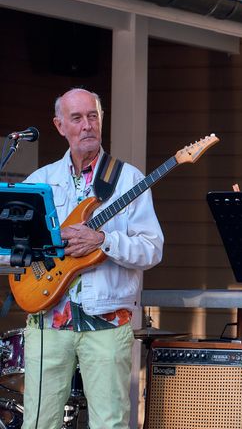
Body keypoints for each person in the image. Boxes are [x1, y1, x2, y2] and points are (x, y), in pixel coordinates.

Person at [21, 88, 164, 429]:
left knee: (109, 423)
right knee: (39, 422)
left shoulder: (128, 179)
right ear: (59, 126)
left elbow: (152, 248)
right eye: (77, 118)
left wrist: (104, 240)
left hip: (107, 323)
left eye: (93, 116)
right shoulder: (41, 181)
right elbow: (18, 247)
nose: (87, 125)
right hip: (47, 320)